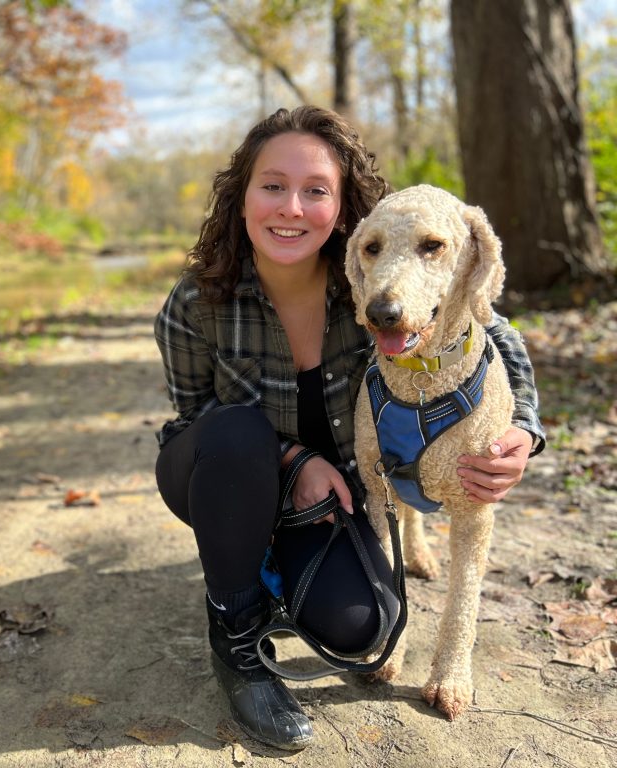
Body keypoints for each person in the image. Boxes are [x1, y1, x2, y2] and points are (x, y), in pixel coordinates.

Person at [153, 105, 544, 750]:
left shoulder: (368, 279)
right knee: (237, 433)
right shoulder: (197, 301)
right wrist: (293, 459)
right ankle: (236, 636)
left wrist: (524, 431)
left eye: (316, 191)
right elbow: (195, 420)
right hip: (223, 475)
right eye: (272, 186)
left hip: (329, 501)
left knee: (362, 632)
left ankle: (277, 565)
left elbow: (493, 330)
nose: (291, 207)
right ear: (242, 197)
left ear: (340, 209)